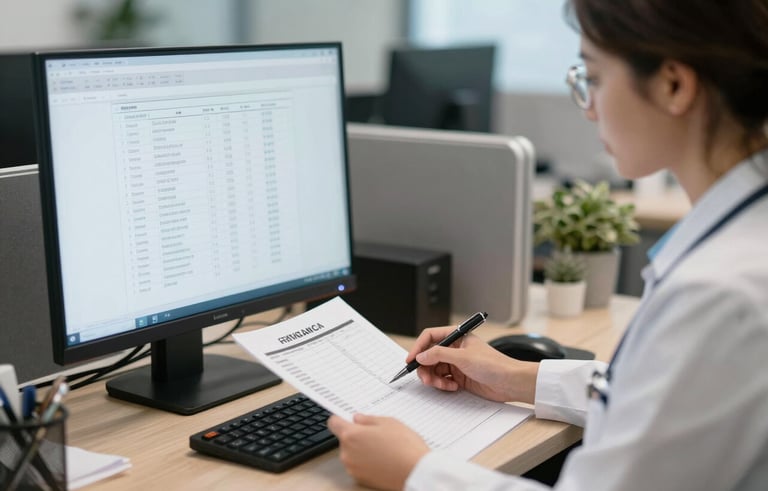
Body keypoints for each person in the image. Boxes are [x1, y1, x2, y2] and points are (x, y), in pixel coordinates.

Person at [327, 0, 768, 489]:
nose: (589, 104)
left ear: (673, 85)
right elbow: (670, 400)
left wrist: (417, 472)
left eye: (595, 77)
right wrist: (517, 376)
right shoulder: (739, 245)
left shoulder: (722, 292)